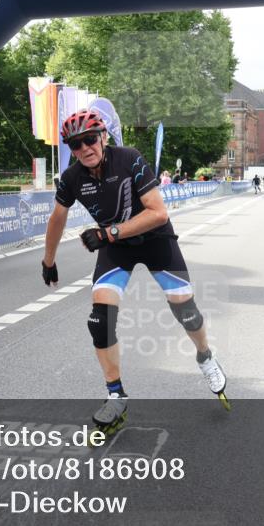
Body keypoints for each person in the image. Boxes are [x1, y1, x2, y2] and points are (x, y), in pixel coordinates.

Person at [41, 109, 229, 435]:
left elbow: (158, 212)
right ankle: (115, 395)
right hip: (116, 248)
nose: (85, 148)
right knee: (100, 319)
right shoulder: (72, 178)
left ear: (103, 137)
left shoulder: (129, 159)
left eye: (89, 139)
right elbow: (57, 217)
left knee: (185, 309)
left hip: (154, 240)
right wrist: (48, 260)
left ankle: (205, 356)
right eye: (75, 144)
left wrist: (108, 233)